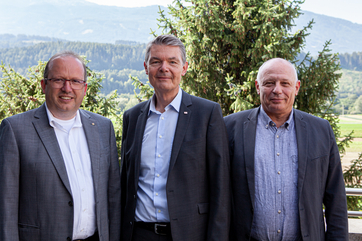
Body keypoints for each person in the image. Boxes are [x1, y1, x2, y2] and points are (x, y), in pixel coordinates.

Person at [0, 51, 121, 241]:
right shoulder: (15, 130)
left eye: (75, 81)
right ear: (44, 85)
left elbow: (113, 197)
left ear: (84, 88)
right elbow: (3, 207)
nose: (67, 88)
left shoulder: (102, 127)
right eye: (59, 80)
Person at [120, 34, 230, 241]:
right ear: (146, 67)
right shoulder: (132, 117)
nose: (164, 68)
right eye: (156, 62)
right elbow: (126, 182)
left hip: (190, 234)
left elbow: (221, 186)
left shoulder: (207, 114)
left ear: (184, 68)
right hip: (139, 234)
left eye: (172, 62)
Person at [224, 58, 348, 240]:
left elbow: (336, 200)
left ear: (296, 87)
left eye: (285, 83)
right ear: (258, 87)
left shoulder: (321, 130)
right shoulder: (230, 127)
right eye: (269, 83)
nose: (277, 90)